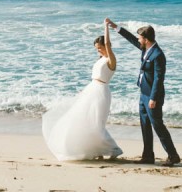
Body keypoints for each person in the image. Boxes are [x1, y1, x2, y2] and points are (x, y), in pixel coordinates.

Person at [42, 20, 123, 161]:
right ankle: (97, 151)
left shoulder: (111, 59)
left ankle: (114, 149)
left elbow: (108, 44)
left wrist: (106, 27)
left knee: (97, 123)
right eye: (96, 48)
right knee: (87, 121)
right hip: (91, 91)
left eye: (99, 47)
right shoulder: (100, 59)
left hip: (101, 93)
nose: (98, 50)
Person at [105, 18, 181, 167]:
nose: (138, 40)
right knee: (145, 124)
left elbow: (159, 79)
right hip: (143, 93)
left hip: (153, 96)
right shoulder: (146, 48)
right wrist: (115, 27)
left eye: (140, 38)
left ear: (146, 39)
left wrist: (153, 98)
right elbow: (132, 39)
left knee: (157, 125)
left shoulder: (158, 55)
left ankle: (173, 155)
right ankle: (148, 156)